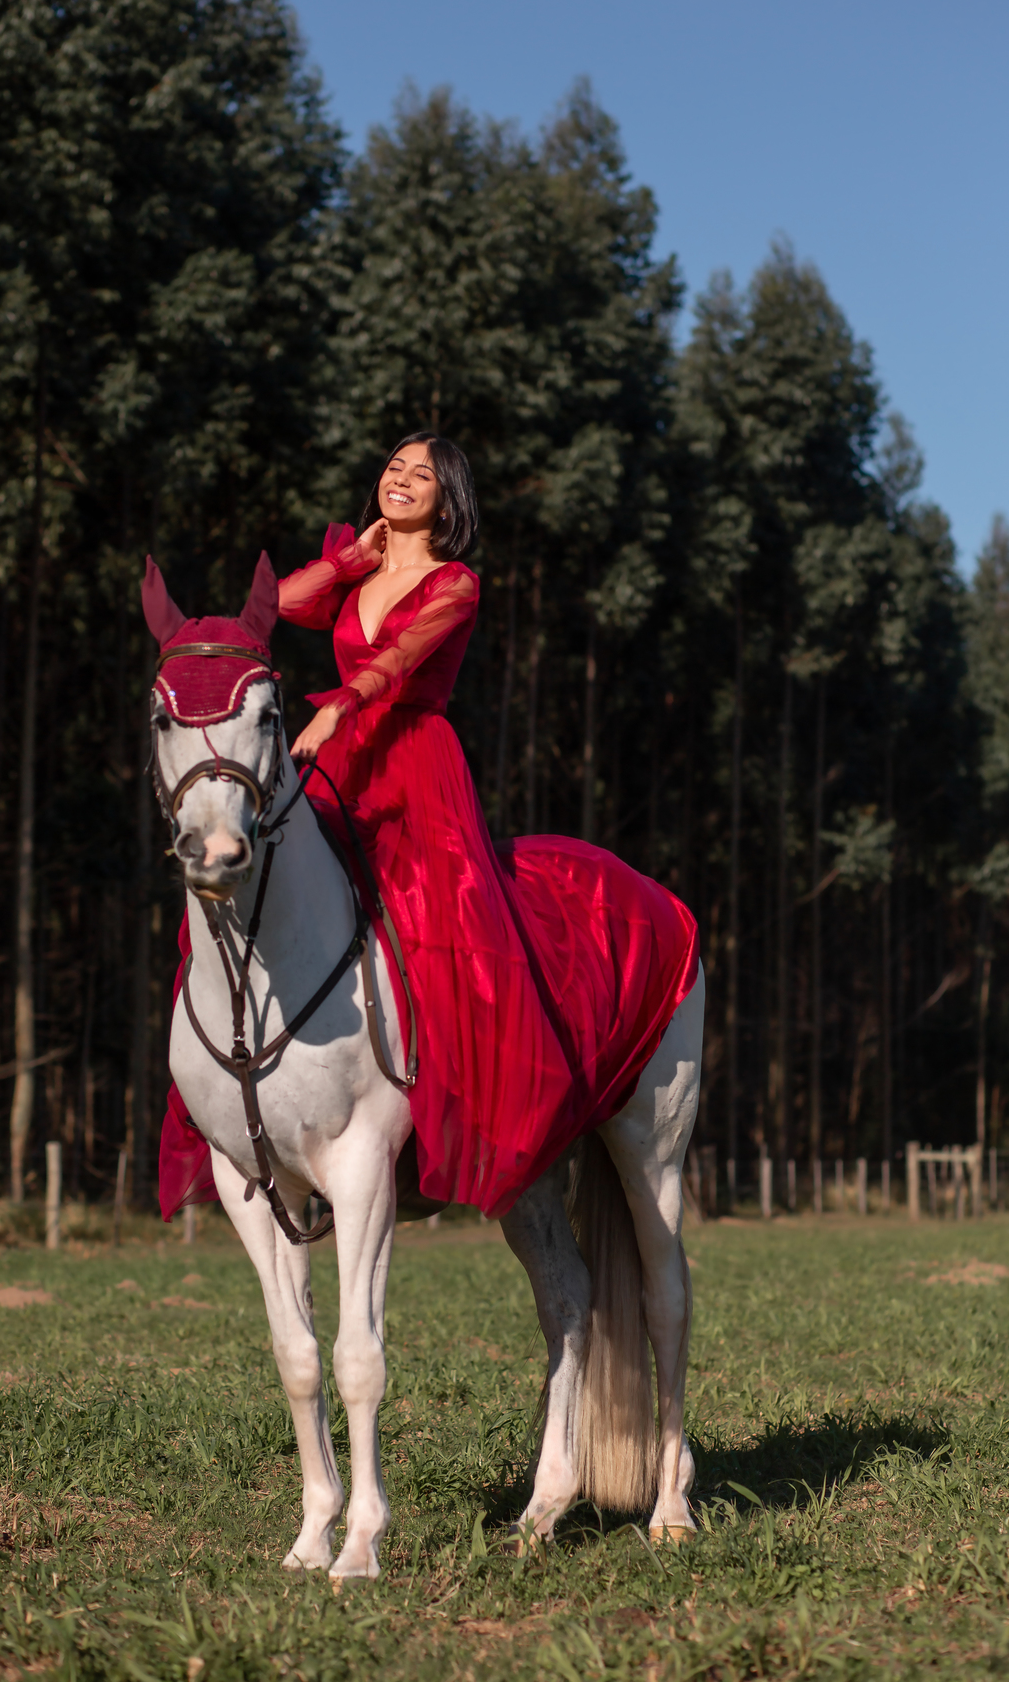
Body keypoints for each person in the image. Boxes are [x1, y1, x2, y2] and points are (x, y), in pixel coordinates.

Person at [270, 431, 699, 1218]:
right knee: (277, 895)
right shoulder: (361, 567)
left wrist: (343, 703)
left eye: (421, 474)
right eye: (394, 468)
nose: (401, 481)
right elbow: (279, 607)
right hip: (337, 760)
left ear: (448, 496)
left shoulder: (455, 583)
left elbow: (400, 660)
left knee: (436, 926)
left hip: (409, 761)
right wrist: (346, 561)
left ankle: (438, 1108)